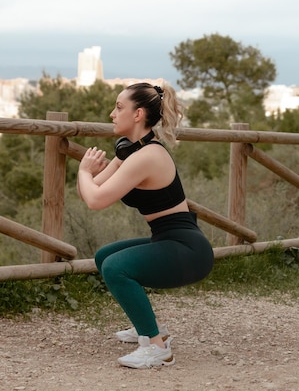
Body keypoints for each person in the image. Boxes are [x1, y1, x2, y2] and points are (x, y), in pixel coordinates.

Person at [77, 82, 214, 369]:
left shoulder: (148, 156)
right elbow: (89, 191)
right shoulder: (130, 150)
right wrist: (89, 176)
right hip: (167, 240)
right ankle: (148, 325)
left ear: (138, 114)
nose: (112, 114)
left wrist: (83, 171)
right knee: (105, 257)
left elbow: (95, 199)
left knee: (116, 267)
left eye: (118, 107)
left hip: (188, 249)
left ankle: (156, 347)